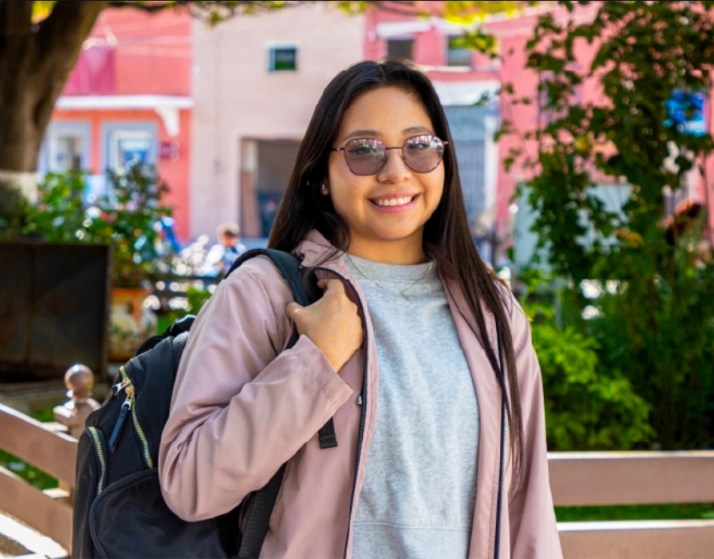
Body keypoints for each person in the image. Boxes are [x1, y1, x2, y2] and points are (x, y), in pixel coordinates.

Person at [159, 59, 562, 558]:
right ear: (321, 176)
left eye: (419, 146)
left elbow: (526, 504)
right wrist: (314, 362)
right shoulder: (267, 294)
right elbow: (191, 483)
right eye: (364, 151)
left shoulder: (491, 311)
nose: (396, 172)